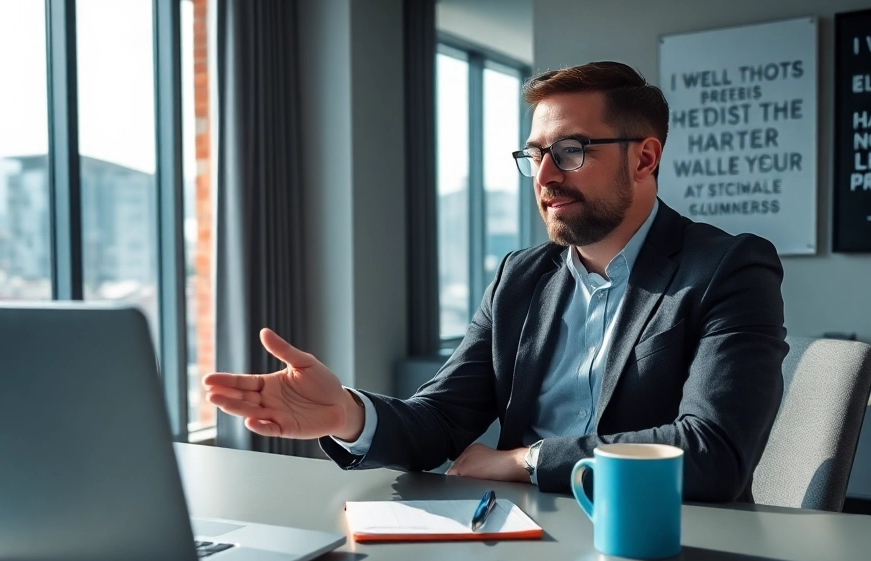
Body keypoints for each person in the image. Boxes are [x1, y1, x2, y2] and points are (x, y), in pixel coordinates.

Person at [203, 61, 787, 503]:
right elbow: (441, 420)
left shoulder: (728, 268)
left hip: (664, 541)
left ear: (644, 158)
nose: (545, 176)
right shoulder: (519, 279)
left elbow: (713, 452)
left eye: (571, 151)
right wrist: (347, 415)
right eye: (535, 155)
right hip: (520, 531)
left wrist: (527, 461)